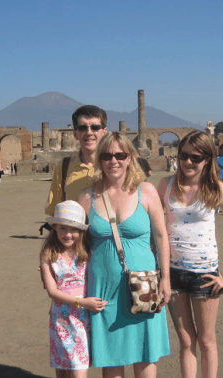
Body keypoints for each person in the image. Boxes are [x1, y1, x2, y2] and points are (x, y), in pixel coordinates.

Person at [77, 132, 171, 378]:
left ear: (130, 158)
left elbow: (161, 237)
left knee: (145, 353)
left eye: (120, 155)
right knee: (112, 355)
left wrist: (166, 279)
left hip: (143, 283)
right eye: (107, 155)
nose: (113, 161)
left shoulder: (147, 192)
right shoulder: (87, 197)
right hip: (103, 286)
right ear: (99, 159)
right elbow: (76, 244)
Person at [157, 131, 223, 378]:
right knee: (186, 342)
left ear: (207, 159)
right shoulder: (165, 185)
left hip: (204, 274)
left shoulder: (215, 187)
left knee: (206, 340)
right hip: (172, 273)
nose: (187, 162)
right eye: (183, 155)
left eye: (195, 158)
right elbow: (150, 226)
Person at [39, 200, 107, 378]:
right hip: (60, 319)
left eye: (73, 229)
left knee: (78, 371)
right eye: (62, 228)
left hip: (83, 320)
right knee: (62, 370)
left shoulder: (88, 250)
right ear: (55, 228)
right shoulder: (48, 252)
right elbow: (52, 292)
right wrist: (81, 302)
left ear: (81, 230)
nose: (68, 234)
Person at [45, 105, 108, 217]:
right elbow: (55, 211)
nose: (89, 132)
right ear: (75, 134)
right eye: (83, 128)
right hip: (76, 233)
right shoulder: (63, 167)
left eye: (95, 127)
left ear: (104, 132)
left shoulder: (117, 165)